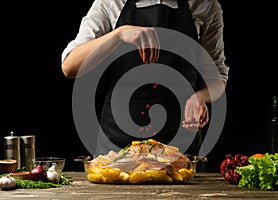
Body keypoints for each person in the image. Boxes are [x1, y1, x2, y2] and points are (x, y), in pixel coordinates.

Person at [61, 0, 229, 164]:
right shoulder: (111, 3)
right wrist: (119, 34)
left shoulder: (205, 5)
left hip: (180, 147)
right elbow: (70, 66)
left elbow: (217, 76)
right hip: (117, 147)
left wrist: (201, 97)